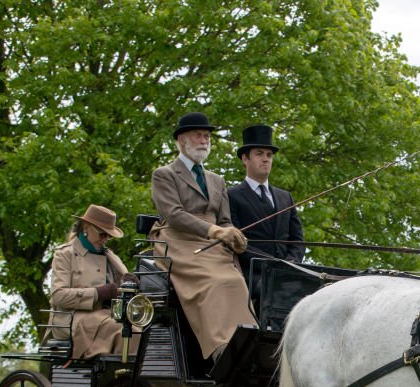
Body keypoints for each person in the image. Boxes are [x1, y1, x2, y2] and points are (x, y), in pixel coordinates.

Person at [149, 112, 256, 362]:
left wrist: (233, 237)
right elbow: (173, 214)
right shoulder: (164, 174)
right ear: (181, 140)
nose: (204, 140)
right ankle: (219, 347)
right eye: (198, 135)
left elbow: (225, 221)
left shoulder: (217, 180)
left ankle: (245, 341)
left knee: (236, 281)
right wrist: (214, 231)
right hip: (178, 240)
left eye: (207, 136)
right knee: (214, 281)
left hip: (214, 244)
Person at [48, 204, 139, 359]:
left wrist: (130, 285)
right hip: (74, 318)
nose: (105, 240)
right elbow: (58, 296)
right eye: (102, 234)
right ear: (86, 227)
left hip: (107, 316)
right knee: (125, 332)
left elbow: (119, 290)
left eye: (108, 236)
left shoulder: (111, 257)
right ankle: (119, 377)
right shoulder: (65, 255)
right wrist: (98, 293)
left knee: (143, 330)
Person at [228, 125, 304, 294]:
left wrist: (291, 263)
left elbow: (298, 240)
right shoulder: (231, 196)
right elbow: (236, 243)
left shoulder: (286, 197)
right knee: (275, 290)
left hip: (289, 271)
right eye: (259, 154)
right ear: (245, 159)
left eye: (269, 155)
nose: (266, 159)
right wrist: (271, 264)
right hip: (251, 274)